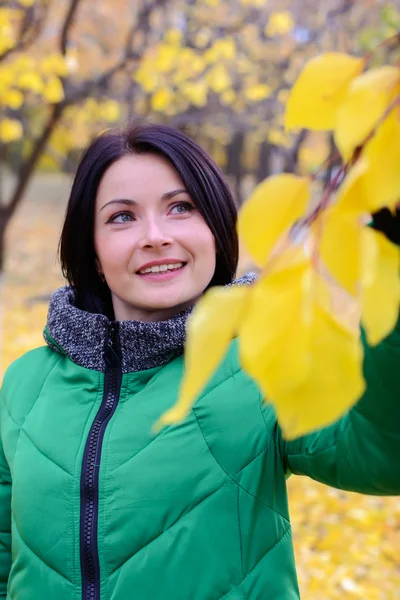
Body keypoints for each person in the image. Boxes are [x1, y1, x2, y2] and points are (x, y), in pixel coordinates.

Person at [0, 121, 399, 600]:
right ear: (93, 250)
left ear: (215, 227)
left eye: (181, 207)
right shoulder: (25, 384)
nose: (155, 236)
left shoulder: (262, 358)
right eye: (122, 217)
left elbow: (381, 455)